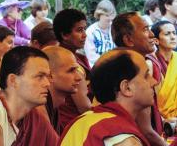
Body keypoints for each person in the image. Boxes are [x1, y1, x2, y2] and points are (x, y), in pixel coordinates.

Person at [59, 49, 156, 146]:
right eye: (146, 76)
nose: (154, 82)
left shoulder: (82, 121)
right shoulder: (122, 139)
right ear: (127, 88)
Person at [111, 11, 167, 146]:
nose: (152, 34)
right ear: (128, 40)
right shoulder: (130, 69)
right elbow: (146, 130)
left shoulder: (117, 62)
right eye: (146, 29)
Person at [53, 8, 92, 131]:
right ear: (64, 35)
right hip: (73, 124)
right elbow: (84, 106)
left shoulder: (78, 57)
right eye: (79, 30)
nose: (85, 35)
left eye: (84, 29)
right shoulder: (69, 63)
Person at [36, 46, 82, 134]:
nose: (79, 77)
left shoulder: (52, 105)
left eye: (77, 70)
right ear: (50, 76)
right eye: (71, 70)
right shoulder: (38, 109)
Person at [149, 21, 177, 119]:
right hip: (159, 119)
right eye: (167, 34)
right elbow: (147, 99)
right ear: (156, 40)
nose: (173, 37)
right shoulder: (150, 63)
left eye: (174, 33)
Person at [84, 0, 117, 67]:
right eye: (107, 16)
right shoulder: (90, 32)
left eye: (112, 15)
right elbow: (91, 57)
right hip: (97, 67)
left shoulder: (115, 29)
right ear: (99, 14)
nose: (110, 18)